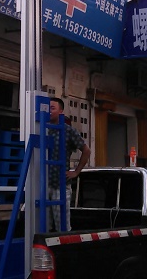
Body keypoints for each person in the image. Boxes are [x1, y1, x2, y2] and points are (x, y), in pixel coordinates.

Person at [47, 97, 91, 232]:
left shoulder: (68, 131)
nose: (49, 111)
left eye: (52, 108)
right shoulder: (41, 128)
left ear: (61, 111)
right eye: (47, 108)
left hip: (59, 184)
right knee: (43, 226)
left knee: (62, 227)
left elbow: (86, 151)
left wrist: (76, 172)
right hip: (43, 184)